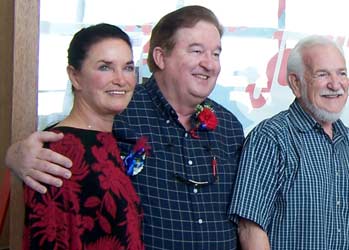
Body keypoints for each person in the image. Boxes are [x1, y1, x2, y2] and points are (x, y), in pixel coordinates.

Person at [6, 6, 244, 250]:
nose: (209, 64)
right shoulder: (117, 110)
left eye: (215, 54)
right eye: (196, 51)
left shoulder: (229, 127)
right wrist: (15, 155)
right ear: (161, 57)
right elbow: (70, 142)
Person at [228, 35, 349, 249]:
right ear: (296, 83)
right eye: (322, 74)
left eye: (341, 73)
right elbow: (250, 228)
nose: (335, 84)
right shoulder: (270, 138)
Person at [22, 23, 143, 250]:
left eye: (127, 67)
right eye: (105, 67)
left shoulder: (114, 139)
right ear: (75, 76)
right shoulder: (58, 152)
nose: (121, 79)